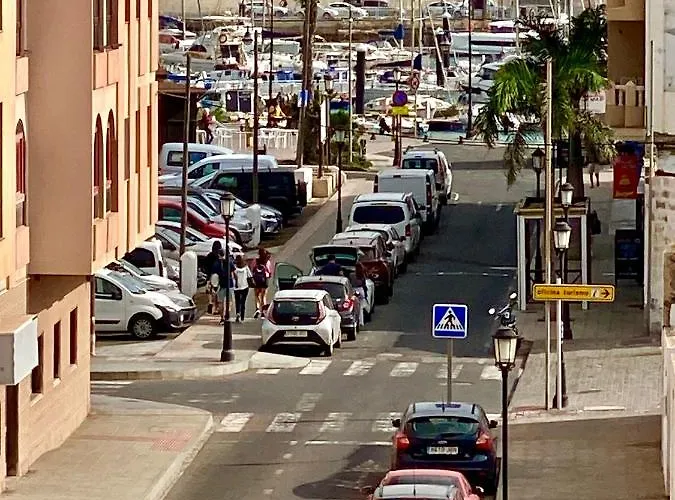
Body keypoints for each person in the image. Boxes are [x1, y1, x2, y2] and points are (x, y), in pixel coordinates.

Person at [211, 249, 235, 323]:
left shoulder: (216, 263)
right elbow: (233, 273)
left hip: (220, 285)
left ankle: (222, 318)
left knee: (220, 302)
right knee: (229, 301)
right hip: (229, 284)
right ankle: (227, 314)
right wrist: (236, 281)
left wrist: (212, 285)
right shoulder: (229, 262)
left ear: (219, 254)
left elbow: (213, 276)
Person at [252, 247, 272, 318]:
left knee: (257, 295)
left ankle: (257, 309)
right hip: (264, 279)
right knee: (264, 296)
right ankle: (263, 311)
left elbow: (253, 270)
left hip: (257, 280)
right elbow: (269, 272)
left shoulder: (255, 261)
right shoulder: (267, 262)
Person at [204, 241, 223, 314]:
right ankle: (216, 307)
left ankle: (210, 303)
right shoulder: (219, 257)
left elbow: (205, 266)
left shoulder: (209, 256)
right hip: (217, 276)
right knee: (217, 291)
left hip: (209, 275)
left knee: (210, 291)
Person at [233, 255, 253, 322]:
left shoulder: (234, 267)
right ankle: (242, 317)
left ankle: (237, 313)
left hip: (236, 287)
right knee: (243, 302)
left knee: (237, 301)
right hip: (245, 286)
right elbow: (250, 276)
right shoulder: (246, 267)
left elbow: (233, 276)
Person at [349, 262, 368, 326]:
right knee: (361, 308)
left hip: (354, 290)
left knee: (354, 307)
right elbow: (364, 285)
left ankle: (355, 321)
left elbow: (350, 284)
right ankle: (361, 322)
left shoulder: (351, 275)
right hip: (361, 290)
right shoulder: (362, 275)